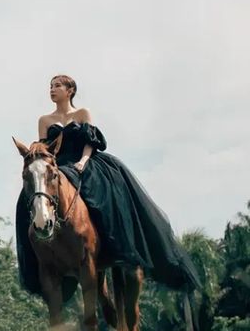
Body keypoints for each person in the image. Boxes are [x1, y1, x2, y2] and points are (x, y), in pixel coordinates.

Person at [15, 74, 202, 298]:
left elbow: (90, 142)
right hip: (59, 168)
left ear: (70, 90)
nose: (52, 90)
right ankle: (38, 255)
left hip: (85, 164)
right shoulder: (44, 120)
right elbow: (46, 152)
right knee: (31, 197)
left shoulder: (82, 113)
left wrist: (83, 162)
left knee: (105, 196)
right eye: (50, 86)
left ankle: (113, 244)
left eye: (57, 86)